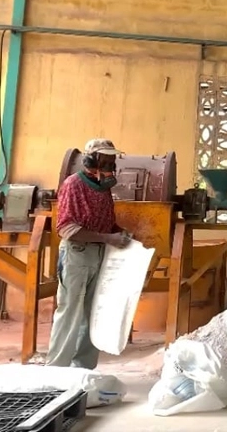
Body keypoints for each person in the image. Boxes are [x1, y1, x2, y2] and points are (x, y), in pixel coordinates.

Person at [47, 139, 132, 369]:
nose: (111, 164)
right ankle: (56, 370)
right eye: (105, 159)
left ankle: (83, 369)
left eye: (113, 160)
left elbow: (106, 224)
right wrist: (108, 238)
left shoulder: (104, 188)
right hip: (77, 254)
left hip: (99, 254)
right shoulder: (73, 185)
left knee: (93, 314)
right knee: (69, 311)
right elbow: (67, 228)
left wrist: (118, 233)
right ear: (91, 160)